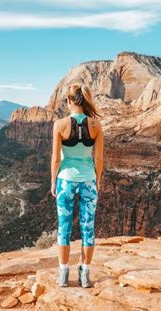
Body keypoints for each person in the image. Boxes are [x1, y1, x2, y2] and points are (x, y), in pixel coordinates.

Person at [50, 83, 104, 288]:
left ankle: (63, 273)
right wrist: (97, 180)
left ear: (69, 101)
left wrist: (53, 181)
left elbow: (56, 158)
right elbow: (98, 158)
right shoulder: (95, 125)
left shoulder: (60, 125)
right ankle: (84, 274)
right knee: (87, 228)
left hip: (65, 181)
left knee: (63, 228)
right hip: (89, 181)